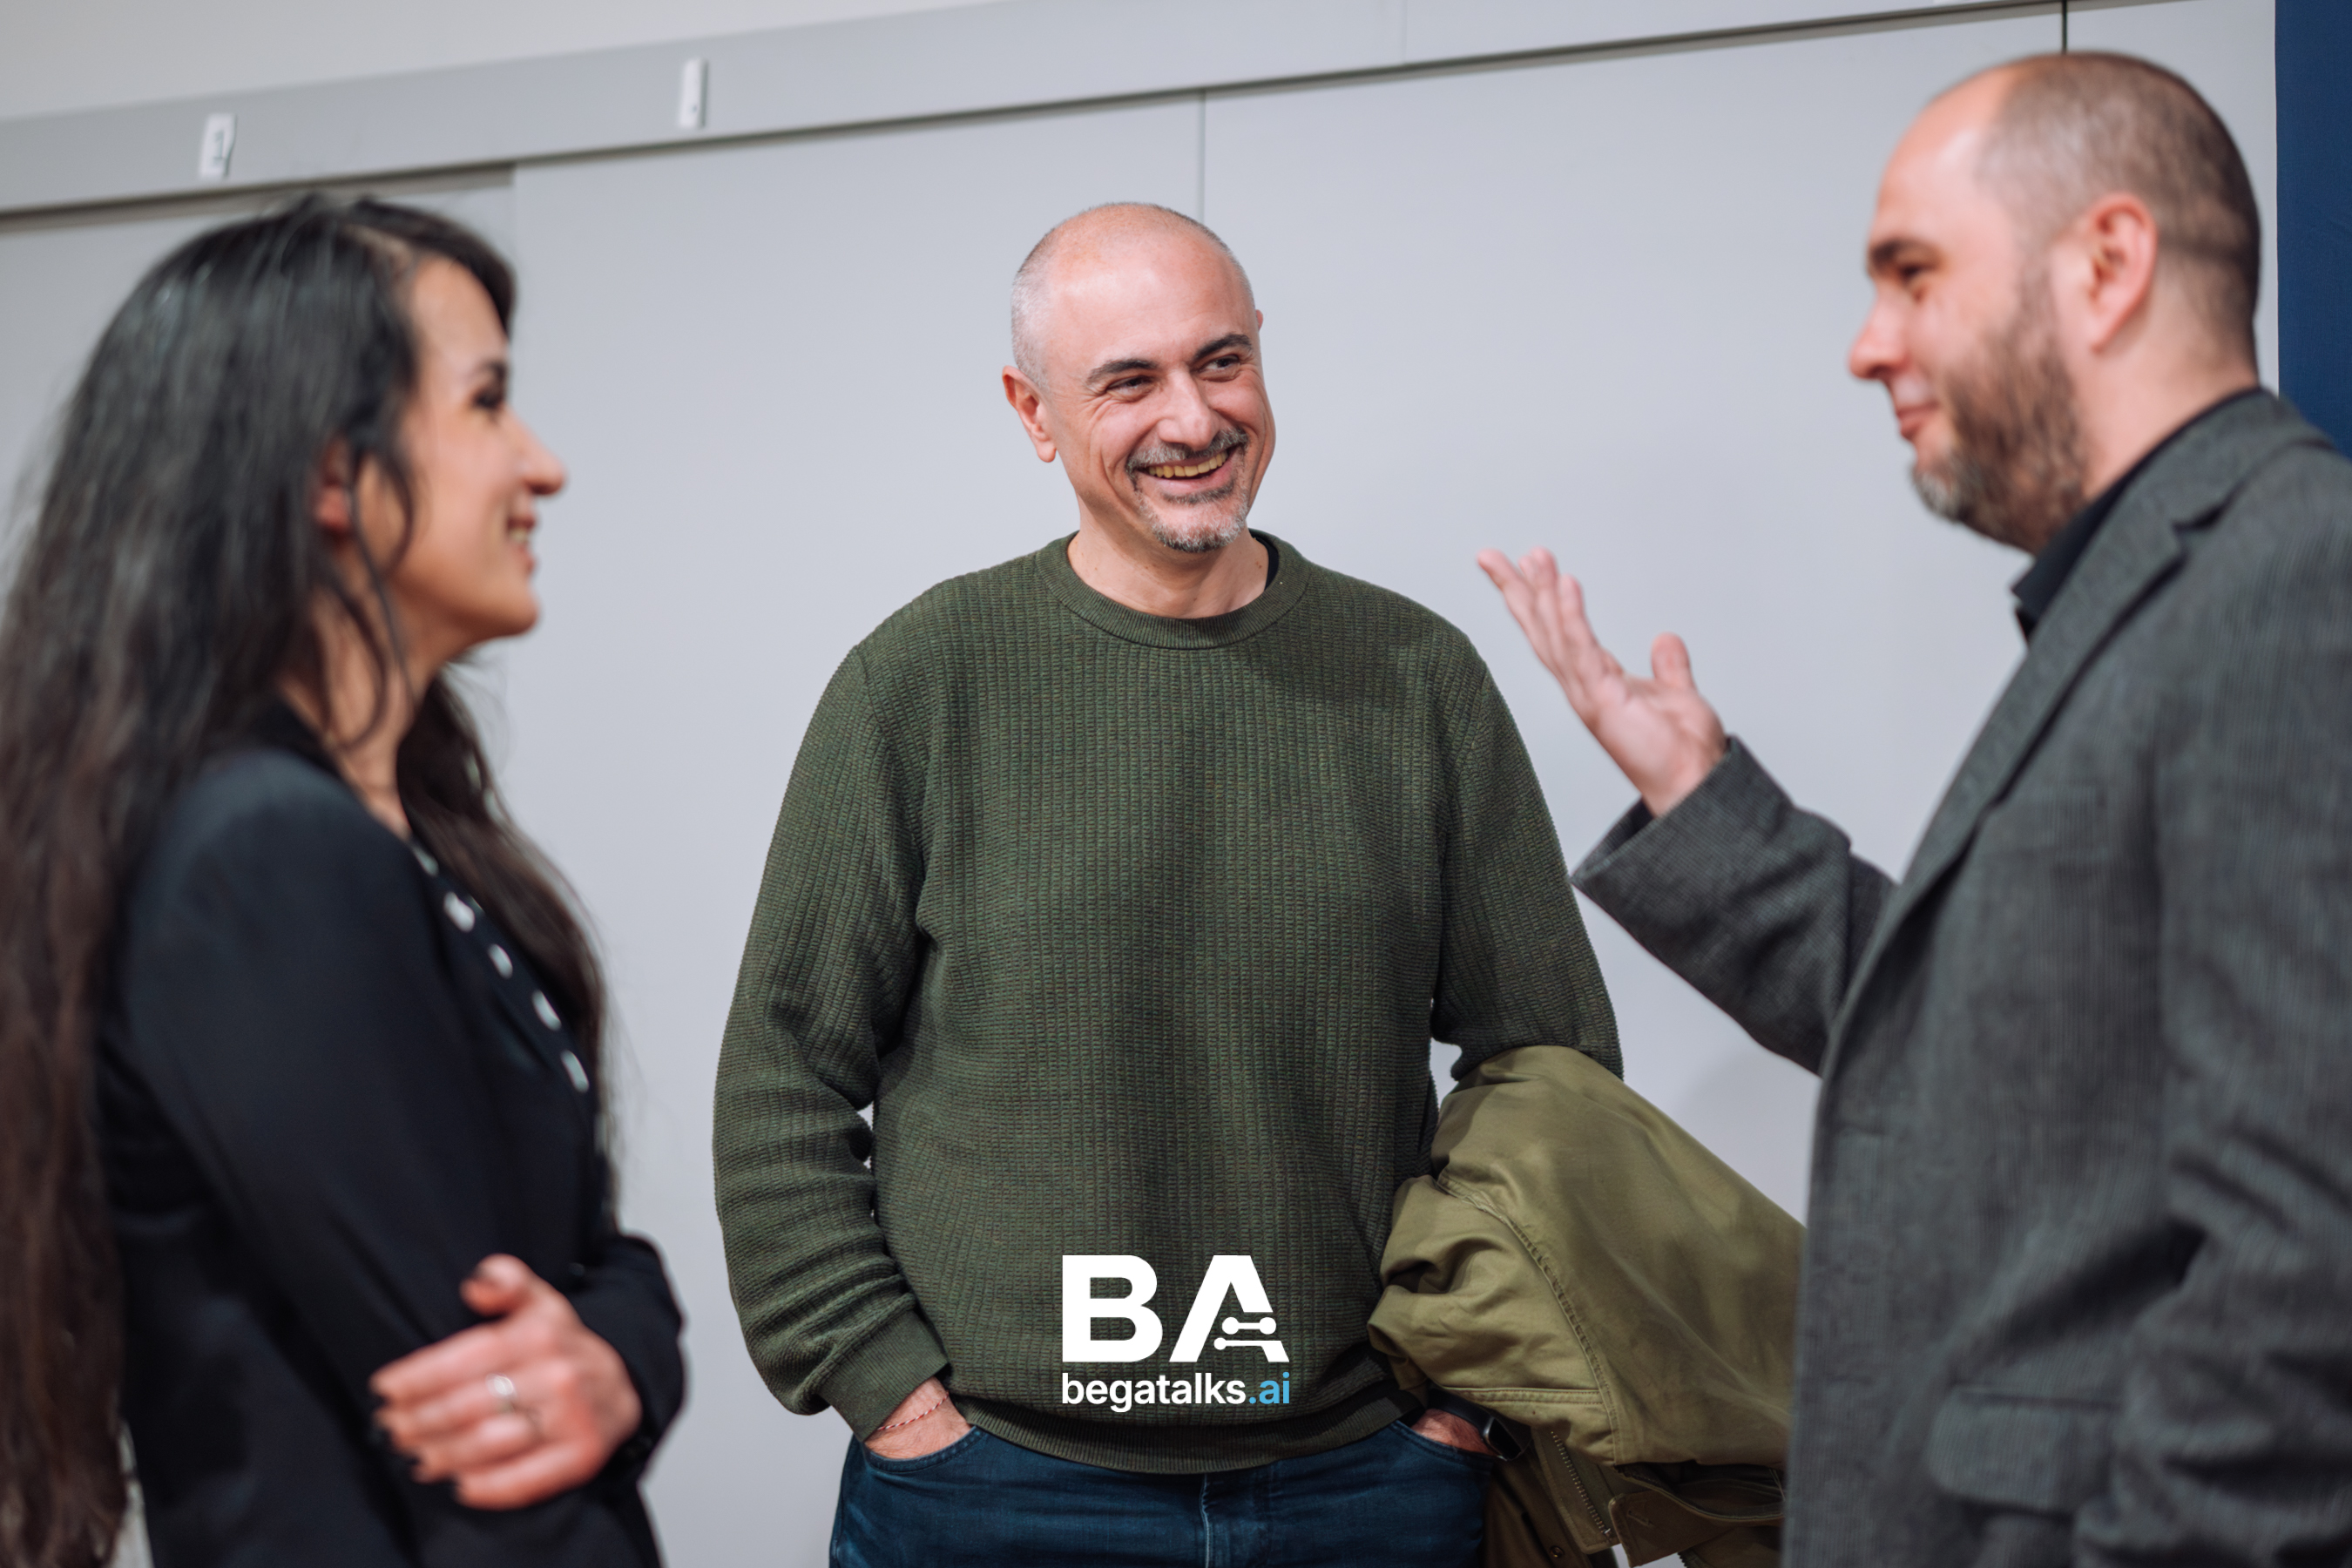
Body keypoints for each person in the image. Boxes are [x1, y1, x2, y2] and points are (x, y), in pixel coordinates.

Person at [1483, 53, 2352, 1567]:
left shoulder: (2291, 585)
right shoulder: (2168, 594)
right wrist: (1698, 800)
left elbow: (2309, 1265)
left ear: (2108, 263)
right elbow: (2002, 1037)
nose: (1866, 345)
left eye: (1912, 273)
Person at [713, 202, 1619, 1565]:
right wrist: (888, 1393)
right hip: (999, 1483)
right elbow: (783, 1078)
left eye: (1223, 361)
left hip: (1362, 1483)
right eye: (1127, 382)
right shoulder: (923, 683)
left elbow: (1551, 1074)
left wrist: (1470, 1404)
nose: (1192, 419)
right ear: (1033, 413)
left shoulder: (1414, 680)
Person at [0, 197, 685, 1568]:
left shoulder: (405, 832)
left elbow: (581, 1270)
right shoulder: (260, 855)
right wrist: (608, 1351)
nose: (539, 465)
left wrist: (624, 1351)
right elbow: (489, 1448)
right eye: (487, 403)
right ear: (331, 472)